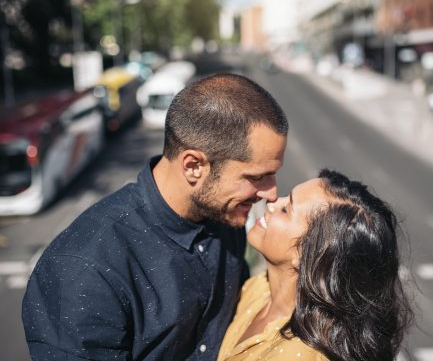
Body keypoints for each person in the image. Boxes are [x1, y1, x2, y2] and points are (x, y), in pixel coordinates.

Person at [22, 73, 288, 360]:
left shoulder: (226, 215)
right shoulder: (84, 268)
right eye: (257, 177)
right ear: (194, 166)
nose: (271, 193)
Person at [218, 169, 414, 361]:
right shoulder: (258, 286)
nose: (273, 203)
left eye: (286, 210)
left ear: (307, 254)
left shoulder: (300, 354)